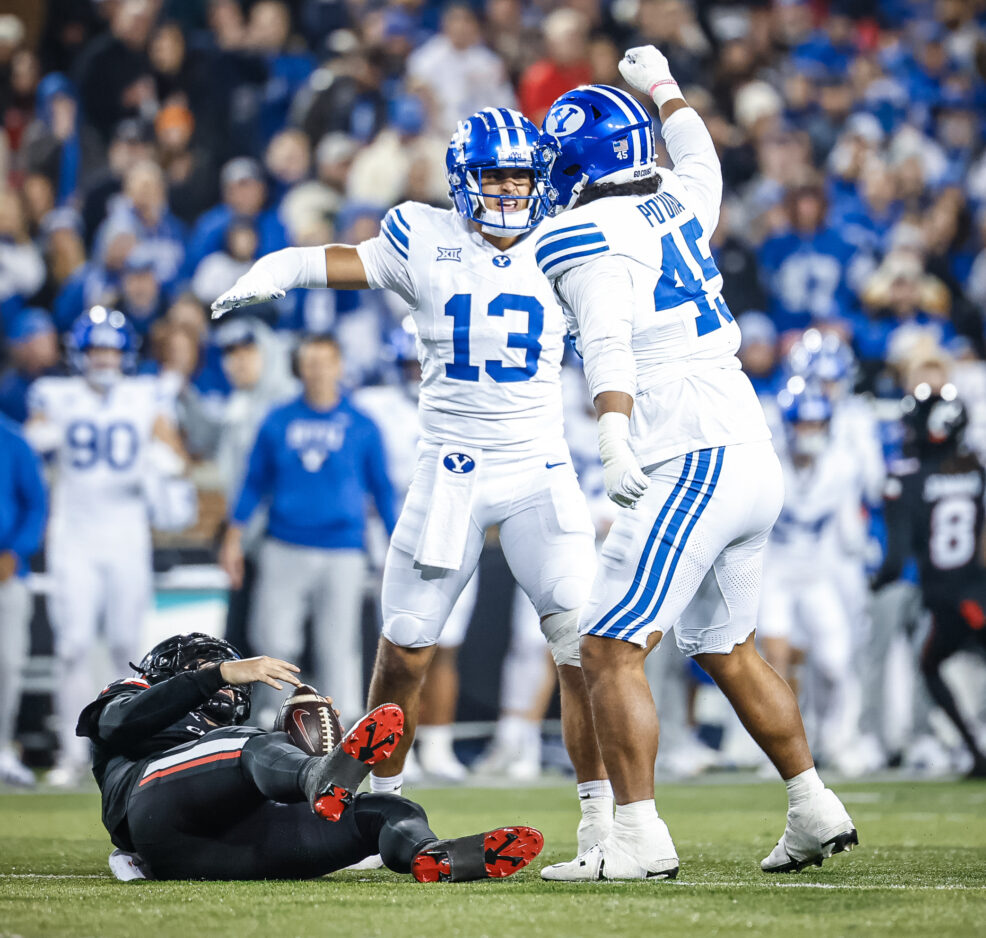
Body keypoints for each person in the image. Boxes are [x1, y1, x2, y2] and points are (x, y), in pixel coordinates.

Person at [212, 106, 610, 857]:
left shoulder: (567, 241)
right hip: (451, 470)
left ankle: (604, 823)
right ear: (463, 180)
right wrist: (272, 271)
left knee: (580, 650)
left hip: (538, 467)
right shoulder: (422, 236)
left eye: (521, 177)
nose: (510, 191)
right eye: (495, 176)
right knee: (404, 653)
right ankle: (382, 813)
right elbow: (332, 260)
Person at [533, 46, 856, 880]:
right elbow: (701, 154)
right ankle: (814, 805)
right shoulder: (681, 196)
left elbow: (607, 340)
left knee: (607, 647)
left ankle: (638, 838)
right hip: (748, 445)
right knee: (725, 646)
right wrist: (666, 86)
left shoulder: (581, 233)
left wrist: (612, 432)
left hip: (688, 452)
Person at [77, 631, 543, 881]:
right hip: (154, 817)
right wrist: (216, 674)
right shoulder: (132, 696)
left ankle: (433, 856)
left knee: (388, 810)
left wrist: (312, 746)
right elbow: (116, 724)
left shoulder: (237, 737)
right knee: (251, 745)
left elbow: (253, 768)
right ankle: (320, 775)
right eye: (208, 668)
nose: (229, 682)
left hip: (235, 845)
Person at [24, 306, 186, 786]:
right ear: (79, 353)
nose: (103, 359)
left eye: (111, 350)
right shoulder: (55, 394)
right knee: (72, 646)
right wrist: (43, 436)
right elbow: (32, 436)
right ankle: (72, 754)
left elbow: (177, 456)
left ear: (125, 355)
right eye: (95, 349)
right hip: (74, 536)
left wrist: (159, 461)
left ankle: (123, 749)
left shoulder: (145, 395)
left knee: (125, 647)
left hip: (126, 536)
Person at [218, 332, 396, 726]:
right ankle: (272, 719)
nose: (317, 371)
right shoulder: (277, 420)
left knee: (338, 644)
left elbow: (382, 489)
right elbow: (253, 482)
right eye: (310, 363)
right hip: (285, 543)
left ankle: (341, 726)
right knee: (274, 639)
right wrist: (233, 535)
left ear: (339, 366)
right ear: (299, 367)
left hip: (343, 548)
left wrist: (395, 542)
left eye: (324, 362)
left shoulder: (362, 425)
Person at [872, 385, 986, 777]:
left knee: (930, 664)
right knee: (933, 662)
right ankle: (975, 752)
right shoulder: (975, 469)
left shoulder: (907, 478)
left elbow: (896, 557)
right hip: (977, 589)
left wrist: (878, 583)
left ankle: (976, 751)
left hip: (948, 597)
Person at [0, 415, 47, 787]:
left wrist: (15, 552)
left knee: (7, 664)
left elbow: (36, 505)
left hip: (6, 572)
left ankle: (1, 748)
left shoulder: (13, 441)